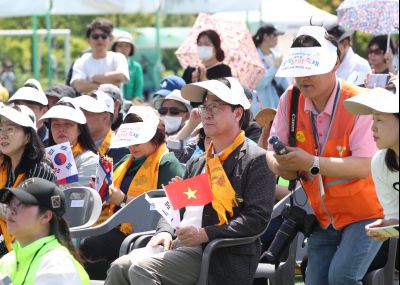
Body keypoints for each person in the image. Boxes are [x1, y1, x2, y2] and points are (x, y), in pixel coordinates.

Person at [105, 77, 276, 285]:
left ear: (238, 113)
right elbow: (174, 207)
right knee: (119, 267)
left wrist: (204, 234)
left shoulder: (256, 159)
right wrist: (165, 232)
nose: (208, 113)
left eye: (216, 106)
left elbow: (256, 219)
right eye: (205, 106)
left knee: (142, 270)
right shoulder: (198, 161)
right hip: (179, 245)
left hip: (217, 253)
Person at [267, 26, 384, 285]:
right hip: (323, 216)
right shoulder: (291, 97)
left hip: (367, 213)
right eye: (298, 70)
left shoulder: (359, 101)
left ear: (336, 64)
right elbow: (270, 150)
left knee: (341, 277)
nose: (304, 77)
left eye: (312, 68)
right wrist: (281, 166)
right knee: (315, 281)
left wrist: (311, 163)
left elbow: (366, 165)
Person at [80, 105, 184, 280]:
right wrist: (101, 191)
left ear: (154, 135)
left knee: (89, 245)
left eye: (138, 140)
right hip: (115, 224)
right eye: (130, 140)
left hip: (145, 231)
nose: (132, 146)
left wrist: (122, 199)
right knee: (82, 242)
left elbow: (170, 208)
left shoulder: (167, 164)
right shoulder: (125, 161)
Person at [0, 178, 89, 284]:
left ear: (46, 216)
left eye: (21, 204)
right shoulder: (7, 260)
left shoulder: (58, 265)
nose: (11, 210)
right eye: (10, 203)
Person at [344, 82, 399, 240]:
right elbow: (395, 215)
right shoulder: (380, 163)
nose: (373, 127)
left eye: (380, 120)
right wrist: (388, 226)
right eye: (373, 119)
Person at [0, 103, 57, 256]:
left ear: (27, 137)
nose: (2, 135)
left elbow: (24, 217)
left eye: (10, 129)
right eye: (0, 129)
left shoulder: (40, 169)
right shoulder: (5, 166)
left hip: (31, 244)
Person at [40, 98, 98, 187]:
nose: (61, 129)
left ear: (80, 129)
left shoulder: (89, 159)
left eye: (68, 124)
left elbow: (76, 195)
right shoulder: (43, 159)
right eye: (56, 124)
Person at [70, 18, 130, 94]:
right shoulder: (81, 61)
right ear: (88, 40)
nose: (100, 39)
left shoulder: (118, 57)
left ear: (110, 39)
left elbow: (119, 77)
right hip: (88, 105)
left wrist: (92, 78)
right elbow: (79, 86)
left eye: (104, 36)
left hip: (114, 104)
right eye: (95, 36)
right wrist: (109, 85)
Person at [251, 25, 289, 114]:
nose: (277, 38)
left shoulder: (277, 56)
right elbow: (258, 84)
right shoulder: (254, 57)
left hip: (277, 106)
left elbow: (282, 81)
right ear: (265, 36)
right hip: (260, 109)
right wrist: (274, 68)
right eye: (275, 35)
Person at [8, 81, 49, 145]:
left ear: (44, 112)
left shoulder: (53, 144)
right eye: (17, 107)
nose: (22, 111)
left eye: (29, 107)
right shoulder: (5, 140)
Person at [111, 31, 144, 101]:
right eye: (120, 45)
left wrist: (133, 105)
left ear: (131, 48)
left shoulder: (136, 67)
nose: (123, 48)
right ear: (114, 47)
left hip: (130, 106)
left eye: (127, 46)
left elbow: (138, 90)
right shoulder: (109, 63)